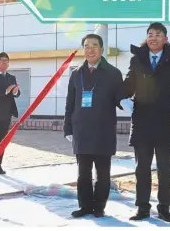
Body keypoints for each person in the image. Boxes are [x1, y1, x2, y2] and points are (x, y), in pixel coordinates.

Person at [120, 22, 170, 222]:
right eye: (150, 34)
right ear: (147, 38)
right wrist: (123, 99)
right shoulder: (137, 60)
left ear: (165, 39)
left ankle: (164, 208)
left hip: (164, 121)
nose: (154, 37)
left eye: (158, 34)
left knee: (165, 168)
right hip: (142, 121)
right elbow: (128, 84)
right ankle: (142, 207)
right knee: (141, 168)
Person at [63, 33, 126, 218]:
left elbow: (120, 98)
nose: (90, 49)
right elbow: (70, 103)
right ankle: (84, 206)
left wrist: (129, 101)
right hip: (81, 129)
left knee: (103, 172)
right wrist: (68, 128)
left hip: (103, 130)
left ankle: (99, 207)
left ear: (102, 49)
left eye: (94, 45)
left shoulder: (113, 73)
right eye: (87, 46)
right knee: (83, 173)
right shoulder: (76, 74)